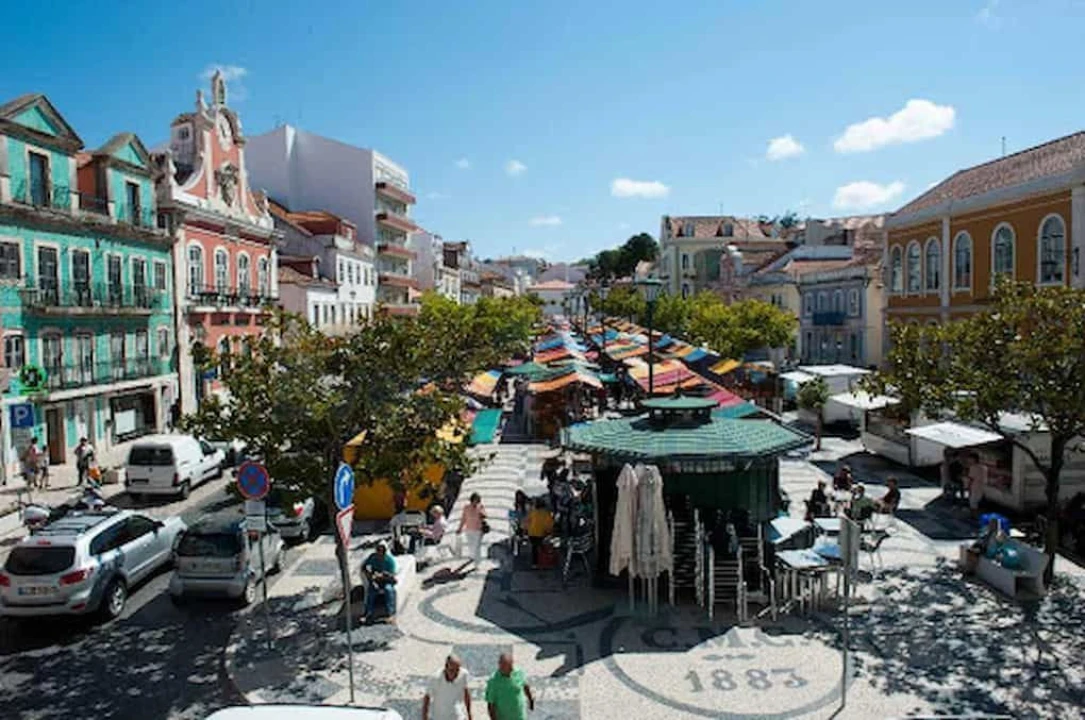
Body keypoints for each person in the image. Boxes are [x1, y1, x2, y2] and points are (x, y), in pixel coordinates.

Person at [485, 653, 534, 720]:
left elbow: (525, 686)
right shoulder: (493, 681)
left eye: (510, 667)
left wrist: (530, 699)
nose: (510, 670)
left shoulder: (518, 673)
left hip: (519, 716)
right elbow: (490, 704)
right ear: (499, 665)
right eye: (504, 667)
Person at [423, 654, 472, 720]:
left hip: (458, 716)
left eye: (457, 670)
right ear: (446, 668)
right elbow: (427, 698)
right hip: (439, 717)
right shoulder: (435, 678)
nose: (455, 674)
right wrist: (425, 717)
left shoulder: (463, 674)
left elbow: (466, 693)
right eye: (452, 670)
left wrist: (469, 713)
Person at [361, 542, 398, 624]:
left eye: (381, 553)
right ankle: (368, 612)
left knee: (388, 590)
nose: (379, 555)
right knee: (371, 592)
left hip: (386, 580)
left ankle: (390, 614)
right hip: (376, 580)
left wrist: (383, 575)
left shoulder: (389, 561)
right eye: (378, 552)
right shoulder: (373, 557)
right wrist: (370, 576)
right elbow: (364, 567)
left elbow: (392, 575)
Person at [457, 492, 487, 564]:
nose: (476, 502)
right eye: (475, 500)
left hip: (478, 529)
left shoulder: (480, 506)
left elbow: (485, 515)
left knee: (477, 545)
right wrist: (460, 528)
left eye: (478, 500)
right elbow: (463, 518)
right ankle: (472, 557)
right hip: (469, 528)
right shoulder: (466, 507)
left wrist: (481, 513)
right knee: (471, 544)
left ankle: (477, 561)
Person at [524, 499, 554, 569]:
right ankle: (544, 560)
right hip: (541, 534)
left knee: (534, 548)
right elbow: (549, 525)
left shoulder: (533, 512)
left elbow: (527, 521)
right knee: (542, 545)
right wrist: (549, 531)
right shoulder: (546, 514)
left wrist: (525, 530)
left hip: (531, 534)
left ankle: (534, 563)